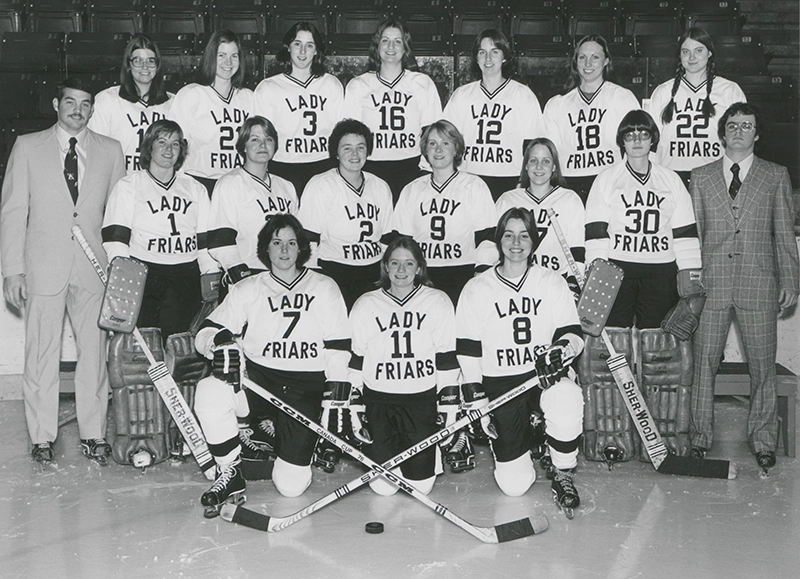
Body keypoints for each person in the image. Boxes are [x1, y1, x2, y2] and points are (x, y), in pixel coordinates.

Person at [0, 77, 126, 465]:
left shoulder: (111, 151)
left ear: (92, 109)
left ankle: (93, 434)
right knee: (40, 354)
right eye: (70, 102)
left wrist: (119, 274)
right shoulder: (27, 146)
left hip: (94, 271)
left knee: (94, 355)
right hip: (43, 266)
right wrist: (12, 271)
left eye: (85, 104)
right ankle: (42, 436)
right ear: (57, 104)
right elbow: (12, 210)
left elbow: (118, 218)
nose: (77, 110)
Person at [194, 214, 351, 515]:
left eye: (291, 243)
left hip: (305, 388)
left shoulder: (324, 286)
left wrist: (335, 399)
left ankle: (286, 440)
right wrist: (219, 344)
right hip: (259, 383)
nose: (284, 250)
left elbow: (338, 346)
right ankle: (230, 472)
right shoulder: (249, 287)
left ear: (302, 248)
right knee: (210, 390)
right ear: (265, 248)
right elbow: (206, 331)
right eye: (276, 242)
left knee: (291, 488)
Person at [689, 102, 799, 474]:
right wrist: (692, 282)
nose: (738, 130)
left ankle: (764, 441)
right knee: (703, 365)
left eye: (746, 125)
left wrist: (791, 279)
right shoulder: (700, 177)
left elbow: (784, 233)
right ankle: (700, 437)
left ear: (757, 134)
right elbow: (696, 236)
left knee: (763, 368)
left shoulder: (775, 175)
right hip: (711, 284)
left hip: (759, 282)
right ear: (722, 133)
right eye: (732, 125)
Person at [456, 208, 584, 515]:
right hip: (501, 385)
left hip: (542, 378)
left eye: (524, 235)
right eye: (509, 235)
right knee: (515, 487)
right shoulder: (477, 287)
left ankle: (562, 468)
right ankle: (534, 437)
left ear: (534, 241)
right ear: (499, 240)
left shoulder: (551, 282)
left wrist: (561, 351)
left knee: (566, 395)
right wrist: (477, 401)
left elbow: (574, 335)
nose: (517, 242)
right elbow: (467, 351)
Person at [348, 236, 461, 494]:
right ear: (385, 266)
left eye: (408, 264)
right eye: (395, 263)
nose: (401, 270)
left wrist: (449, 412)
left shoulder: (437, 301)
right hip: (379, 403)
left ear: (419, 268)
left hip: (420, 402)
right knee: (382, 488)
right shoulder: (367, 303)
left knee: (421, 487)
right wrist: (355, 409)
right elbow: (356, 359)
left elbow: (445, 358)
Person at [585, 110, 702, 329]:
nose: (637, 140)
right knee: (614, 339)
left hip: (660, 272)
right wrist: (596, 274)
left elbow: (685, 234)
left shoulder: (671, 179)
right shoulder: (607, 178)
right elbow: (596, 234)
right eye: (630, 135)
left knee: (657, 342)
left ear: (653, 139)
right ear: (622, 140)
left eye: (644, 134)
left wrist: (692, 280)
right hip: (616, 271)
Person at [101, 119, 216, 341]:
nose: (168, 149)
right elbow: (116, 238)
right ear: (149, 147)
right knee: (144, 348)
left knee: (180, 346)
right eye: (161, 142)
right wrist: (123, 278)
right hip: (145, 273)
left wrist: (209, 274)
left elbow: (204, 241)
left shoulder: (194, 188)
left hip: (186, 274)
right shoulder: (129, 186)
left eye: (175, 144)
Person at [387, 119, 495, 305]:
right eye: (432, 144)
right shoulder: (412, 189)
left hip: (463, 272)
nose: (438, 149)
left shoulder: (474, 185)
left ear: (457, 149)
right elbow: (403, 241)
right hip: (423, 275)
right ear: (425, 151)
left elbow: (487, 236)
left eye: (445, 143)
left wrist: (480, 274)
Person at [343, 17, 443, 204]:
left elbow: (433, 132)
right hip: (371, 166)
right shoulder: (359, 85)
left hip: (411, 168)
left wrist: (428, 169)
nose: (391, 46)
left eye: (397, 41)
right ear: (377, 46)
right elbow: (349, 135)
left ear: (405, 48)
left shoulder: (422, 83)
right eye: (385, 40)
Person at [297, 118, 393, 311]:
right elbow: (308, 241)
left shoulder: (380, 186)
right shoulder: (321, 185)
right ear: (336, 152)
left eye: (361, 147)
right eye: (347, 148)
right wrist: (313, 281)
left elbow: (387, 239)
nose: (355, 154)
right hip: (335, 272)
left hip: (373, 273)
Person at [442, 29, 545, 201]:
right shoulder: (462, 95)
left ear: (504, 56)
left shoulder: (522, 94)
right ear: (476, 58)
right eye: (482, 52)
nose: (488, 59)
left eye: (494, 52)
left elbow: (533, 145)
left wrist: (524, 182)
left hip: (510, 180)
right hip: (469, 178)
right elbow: (446, 138)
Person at [543, 34, 640, 203]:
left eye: (595, 57)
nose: (588, 64)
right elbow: (551, 153)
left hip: (611, 183)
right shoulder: (556, 104)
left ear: (606, 61)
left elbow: (638, 145)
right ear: (575, 62)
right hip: (569, 183)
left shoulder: (622, 97)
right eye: (582, 57)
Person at [646, 27, 746, 187]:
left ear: (710, 53)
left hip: (715, 176)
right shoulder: (663, 91)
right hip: (670, 177)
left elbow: (743, 138)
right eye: (685, 52)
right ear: (679, 55)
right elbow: (648, 139)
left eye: (698, 50)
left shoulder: (730, 90)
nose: (691, 57)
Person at [253, 21, 344, 197]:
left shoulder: (331, 84)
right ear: (288, 47)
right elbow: (260, 137)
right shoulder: (268, 87)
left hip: (323, 165)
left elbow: (341, 132)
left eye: (309, 45)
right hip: (283, 166)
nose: (302, 51)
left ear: (317, 50)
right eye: (297, 44)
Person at [207, 116, 299, 287]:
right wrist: (241, 276)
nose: (262, 145)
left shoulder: (286, 187)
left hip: (283, 275)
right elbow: (220, 242)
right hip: (247, 274)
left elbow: (296, 239)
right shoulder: (230, 183)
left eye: (268, 139)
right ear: (243, 146)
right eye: (254, 139)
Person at [492, 137, 585, 291]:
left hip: (556, 283)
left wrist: (573, 286)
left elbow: (577, 250)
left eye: (546, 161)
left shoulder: (569, 199)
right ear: (526, 166)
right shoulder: (508, 199)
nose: (539, 167)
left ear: (554, 166)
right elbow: (493, 247)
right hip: (514, 282)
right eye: (533, 161)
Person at [171, 29, 254, 197]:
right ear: (210, 57)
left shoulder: (248, 97)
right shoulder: (191, 94)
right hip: (199, 182)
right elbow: (175, 144)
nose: (228, 62)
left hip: (238, 182)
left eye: (234, 56)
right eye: (221, 55)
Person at [88, 34, 174, 174]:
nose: (144, 66)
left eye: (150, 61)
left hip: (158, 185)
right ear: (128, 64)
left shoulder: (173, 103)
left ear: (157, 65)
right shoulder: (107, 100)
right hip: (119, 183)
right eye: (137, 60)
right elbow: (95, 151)